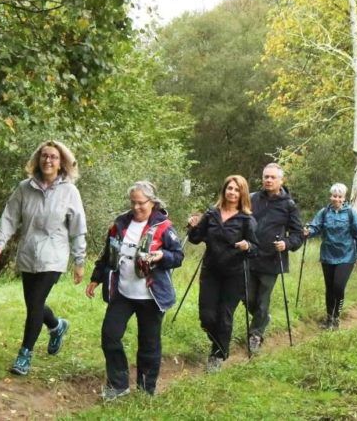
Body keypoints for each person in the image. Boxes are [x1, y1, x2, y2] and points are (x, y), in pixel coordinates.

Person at [0, 140, 87, 376]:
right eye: (44, 156)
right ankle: (56, 326)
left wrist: (79, 260)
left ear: (61, 161)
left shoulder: (69, 191)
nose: (48, 160)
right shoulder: (25, 187)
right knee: (34, 304)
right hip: (28, 253)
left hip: (54, 256)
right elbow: (10, 217)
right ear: (38, 159)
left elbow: (78, 227)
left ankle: (24, 355)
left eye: (53, 157)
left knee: (34, 306)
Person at [86, 181, 184, 400]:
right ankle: (118, 385)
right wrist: (96, 279)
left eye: (141, 203)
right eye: (133, 203)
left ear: (152, 202)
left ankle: (146, 390)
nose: (137, 207)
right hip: (123, 293)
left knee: (149, 343)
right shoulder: (120, 224)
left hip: (152, 295)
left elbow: (178, 256)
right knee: (110, 336)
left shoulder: (164, 227)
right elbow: (107, 254)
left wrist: (162, 256)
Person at [187, 175, 259, 372]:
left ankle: (217, 355)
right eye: (230, 189)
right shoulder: (211, 214)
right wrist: (192, 226)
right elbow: (195, 239)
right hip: (211, 271)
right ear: (224, 190)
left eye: (237, 190)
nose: (233, 193)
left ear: (242, 193)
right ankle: (220, 343)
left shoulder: (246, 219)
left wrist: (247, 245)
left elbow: (256, 248)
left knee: (224, 315)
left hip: (234, 274)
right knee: (207, 316)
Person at [246, 163, 303, 354]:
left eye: (272, 177)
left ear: (281, 180)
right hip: (249, 256)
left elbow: (297, 234)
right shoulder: (252, 198)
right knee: (245, 296)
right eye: (265, 177)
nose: (268, 180)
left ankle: (256, 335)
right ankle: (263, 319)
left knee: (263, 299)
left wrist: (286, 244)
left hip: (271, 259)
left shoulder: (288, 205)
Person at [303, 183, 357, 330]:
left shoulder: (351, 213)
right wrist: (308, 232)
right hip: (327, 255)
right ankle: (329, 318)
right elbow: (315, 227)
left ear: (344, 198)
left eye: (339, 196)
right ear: (330, 196)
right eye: (334, 196)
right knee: (330, 288)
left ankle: (336, 317)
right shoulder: (324, 212)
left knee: (338, 286)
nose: (336, 199)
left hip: (346, 256)